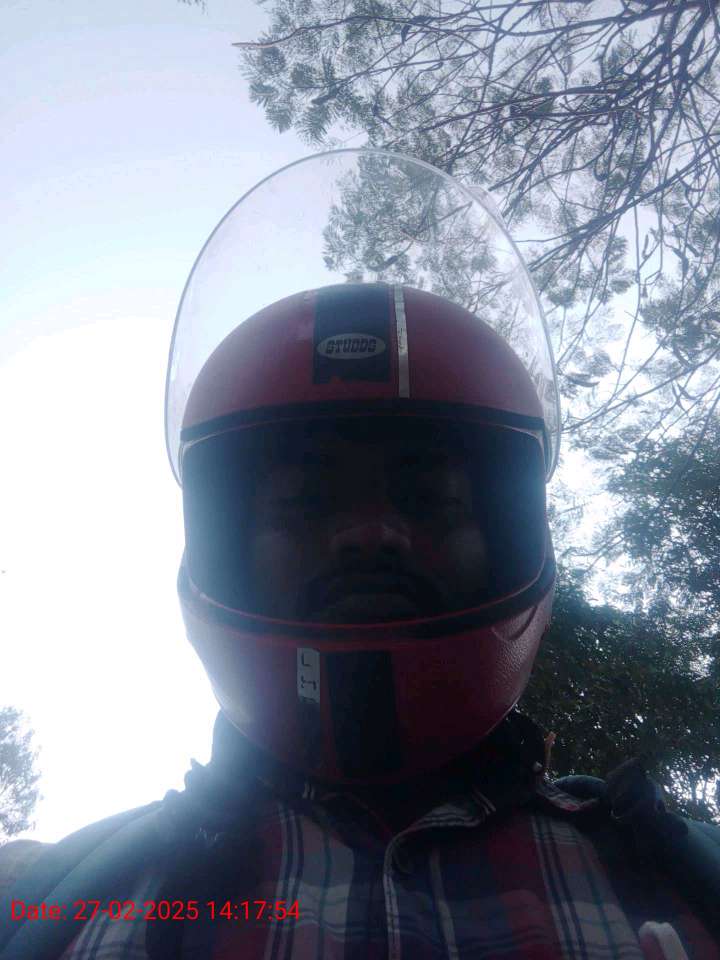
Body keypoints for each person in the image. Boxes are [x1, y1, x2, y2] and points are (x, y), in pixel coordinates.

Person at [2, 151, 719, 958]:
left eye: (427, 500)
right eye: (307, 504)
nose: (370, 534)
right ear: (227, 544)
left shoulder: (686, 873)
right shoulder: (51, 899)